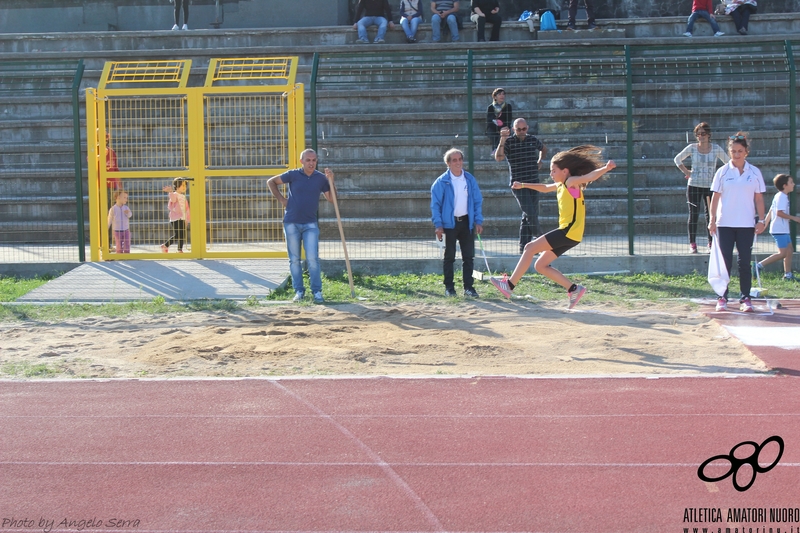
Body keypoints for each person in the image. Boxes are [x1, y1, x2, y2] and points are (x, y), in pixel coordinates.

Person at [490, 146, 616, 309]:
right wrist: (522, 185)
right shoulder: (560, 185)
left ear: (565, 171)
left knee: (529, 248)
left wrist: (605, 168)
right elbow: (543, 188)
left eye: (553, 170)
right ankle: (574, 289)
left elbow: (589, 176)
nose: (551, 174)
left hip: (568, 232)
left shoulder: (571, 182)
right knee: (540, 265)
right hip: (572, 235)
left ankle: (509, 286)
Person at [708, 132, 766, 312]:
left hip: (746, 225)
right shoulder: (722, 172)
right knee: (724, 262)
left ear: (746, 152)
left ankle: (745, 298)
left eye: (740, 151)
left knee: (745, 262)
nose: (737, 154)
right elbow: (715, 198)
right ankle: (722, 297)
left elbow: (758, 199)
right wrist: (712, 220)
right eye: (733, 151)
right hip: (725, 223)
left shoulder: (755, 172)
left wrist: (762, 220)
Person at [268, 149, 335, 303]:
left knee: (312, 259)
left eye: (314, 160)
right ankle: (299, 291)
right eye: (308, 160)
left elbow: (332, 199)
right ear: (302, 161)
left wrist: (332, 181)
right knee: (294, 260)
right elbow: (271, 181)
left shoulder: (320, 178)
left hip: (310, 223)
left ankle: (317, 292)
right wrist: (283, 200)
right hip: (291, 222)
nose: (311, 163)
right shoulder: (293, 174)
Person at [431, 148, 484, 298]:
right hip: (449, 225)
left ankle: (469, 288)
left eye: (460, 159)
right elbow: (435, 205)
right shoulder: (441, 182)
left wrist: (478, 221)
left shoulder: (469, 179)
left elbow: (477, 200)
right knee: (449, 257)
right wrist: (438, 225)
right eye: (454, 160)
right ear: (448, 163)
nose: (458, 163)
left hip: (466, 222)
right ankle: (449, 288)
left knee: (468, 256)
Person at [673, 122, 729, 253]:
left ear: (709, 135)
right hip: (694, 185)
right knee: (693, 215)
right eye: (698, 134)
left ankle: (711, 242)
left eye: (703, 134)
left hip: (710, 186)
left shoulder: (715, 148)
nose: (701, 137)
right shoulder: (692, 148)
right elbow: (677, 159)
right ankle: (692, 243)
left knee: (710, 215)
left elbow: (728, 162)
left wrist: (719, 176)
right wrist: (686, 172)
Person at [495, 118, 548, 253]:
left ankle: (524, 247)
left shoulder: (532, 139)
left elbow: (543, 149)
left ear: (527, 128)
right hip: (518, 184)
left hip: (533, 182)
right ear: (514, 130)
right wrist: (502, 139)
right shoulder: (509, 142)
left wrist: (540, 160)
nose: (521, 131)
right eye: (518, 129)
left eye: (524, 129)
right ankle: (542, 240)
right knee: (530, 213)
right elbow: (499, 157)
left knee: (528, 215)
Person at [754, 174, 800, 281]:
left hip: (782, 229)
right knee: (783, 253)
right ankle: (758, 266)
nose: (793, 184)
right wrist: (794, 218)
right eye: (791, 182)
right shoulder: (781, 197)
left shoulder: (780, 196)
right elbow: (779, 213)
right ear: (785, 185)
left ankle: (787, 275)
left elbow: (771, 211)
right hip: (779, 230)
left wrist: (765, 224)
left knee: (790, 250)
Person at [161, 177, 191, 254]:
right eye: (182, 185)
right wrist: (170, 192)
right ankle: (165, 245)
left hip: (182, 218)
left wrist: (187, 219)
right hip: (175, 218)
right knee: (178, 234)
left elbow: (187, 209)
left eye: (185, 186)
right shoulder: (174, 194)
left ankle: (179, 249)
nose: (184, 187)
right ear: (177, 186)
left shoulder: (183, 197)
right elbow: (173, 200)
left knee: (182, 235)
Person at [485, 88, 511, 156]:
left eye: (503, 94)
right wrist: (497, 129)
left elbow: (508, 120)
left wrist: (502, 128)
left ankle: (497, 150)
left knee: (503, 133)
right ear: (495, 97)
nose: (502, 96)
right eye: (499, 94)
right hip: (492, 128)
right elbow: (489, 121)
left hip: (504, 127)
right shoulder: (490, 107)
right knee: (494, 135)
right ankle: (496, 150)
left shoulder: (508, 106)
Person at [107, 190, 132, 254]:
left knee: (127, 243)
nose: (126, 199)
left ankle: (127, 254)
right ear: (118, 197)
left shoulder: (126, 208)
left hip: (126, 230)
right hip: (117, 230)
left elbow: (130, 215)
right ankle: (119, 254)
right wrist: (107, 226)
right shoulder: (113, 209)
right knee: (118, 244)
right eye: (124, 197)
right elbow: (109, 218)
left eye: (127, 198)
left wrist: (128, 213)